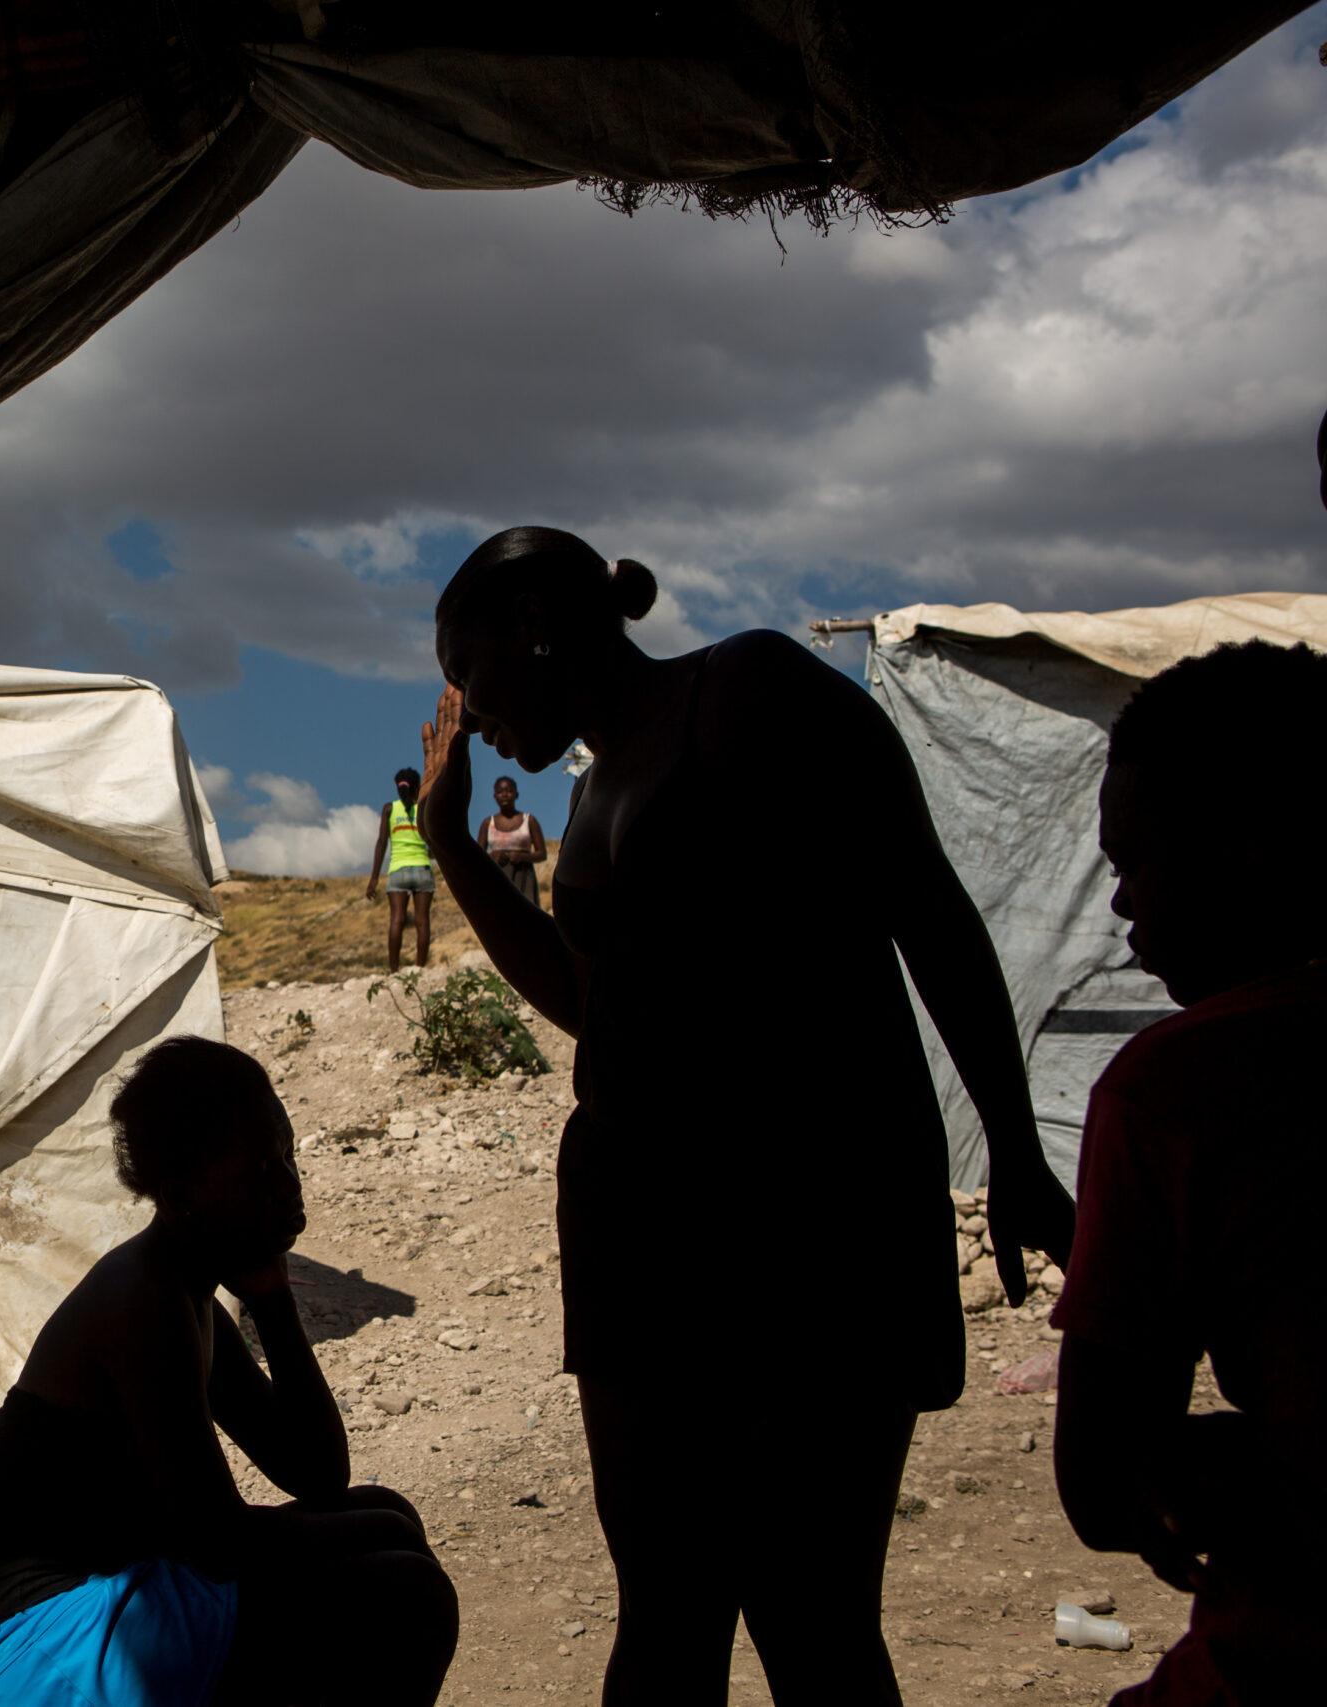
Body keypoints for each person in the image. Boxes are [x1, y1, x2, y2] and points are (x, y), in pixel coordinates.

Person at [414, 527, 1073, 1706]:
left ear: (534, 627)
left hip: (809, 1218)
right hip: (642, 1240)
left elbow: (927, 906)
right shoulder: (603, 779)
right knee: (665, 1606)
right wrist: (457, 850)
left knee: (807, 1606)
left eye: (467, 673)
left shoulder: (749, 690)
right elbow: (588, 1005)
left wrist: (1014, 1147)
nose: (464, 712)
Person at [0, 1037, 456, 1707]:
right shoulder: (143, 1299)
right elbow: (218, 1542)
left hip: (104, 1602)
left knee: (388, 1519)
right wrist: (359, 1536)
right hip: (32, 1651)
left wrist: (273, 1297)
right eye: (258, 1170)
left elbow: (317, 1472)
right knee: (406, 1591)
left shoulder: (186, 1288)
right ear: (184, 1187)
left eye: (287, 1155)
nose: (288, 1185)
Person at [1052, 639, 1327, 1706]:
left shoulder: (1184, 1089)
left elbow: (1099, 1476)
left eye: (1133, 866)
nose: (1122, 911)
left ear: (1243, 851)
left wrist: (1228, 1469)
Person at [364, 767, 436, 972]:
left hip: (397, 869)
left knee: (397, 919)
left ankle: (394, 971)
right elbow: (431, 841)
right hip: (422, 869)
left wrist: (374, 879)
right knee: (423, 920)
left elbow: (381, 843)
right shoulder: (423, 807)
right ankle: (419, 968)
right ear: (416, 786)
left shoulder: (389, 809)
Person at [480, 775, 547, 908]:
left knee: (526, 915)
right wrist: (492, 856)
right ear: (495, 796)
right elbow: (477, 857)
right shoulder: (488, 823)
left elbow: (542, 854)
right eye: (500, 792)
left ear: (516, 794)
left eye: (509, 791)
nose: (504, 795)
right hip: (497, 877)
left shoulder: (529, 820)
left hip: (523, 876)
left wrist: (522, 856)